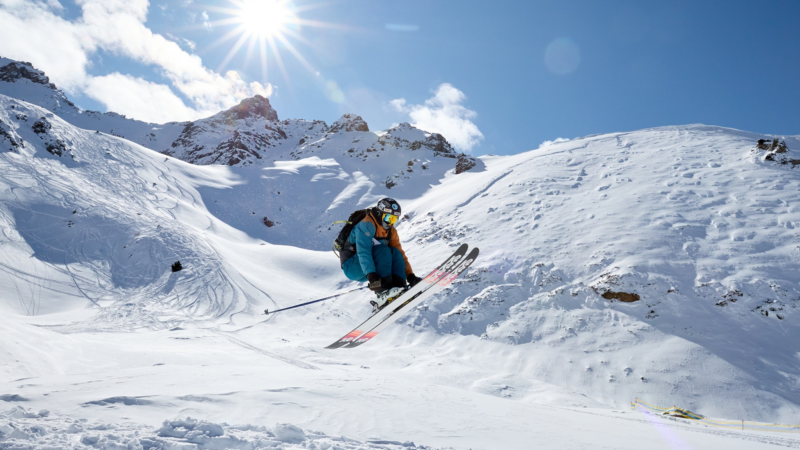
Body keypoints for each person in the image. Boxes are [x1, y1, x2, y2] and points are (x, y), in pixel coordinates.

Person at [340, 198, 421, 310]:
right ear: (379, 213)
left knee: (395, 253)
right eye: (388, 218)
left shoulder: (391, 232)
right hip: (352, 266)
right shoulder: (367, 225)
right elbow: (364, 252)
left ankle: (399, 289)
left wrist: (410, 276)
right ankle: (383, 293)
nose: (390, 223)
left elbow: (400, 255)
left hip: (371, 268)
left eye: (394, 220)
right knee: (382, 250)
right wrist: (372, 276)